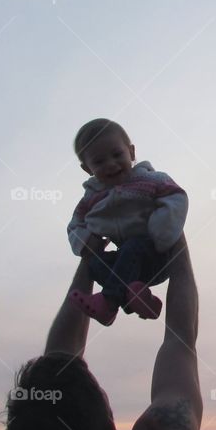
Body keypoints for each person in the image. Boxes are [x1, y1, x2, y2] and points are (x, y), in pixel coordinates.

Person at [0, 234, 201, 430]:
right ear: (111, 424)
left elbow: (56, 369)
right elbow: (180, 341)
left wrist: (92, 260)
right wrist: (173, 232)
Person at [67, 119, 188, 326]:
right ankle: (138, 298)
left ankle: (109, 304)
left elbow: (177, 196)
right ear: (87, 168)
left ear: (131, 152)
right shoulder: (91, 198)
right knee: (94, 264)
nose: (111, 164)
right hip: (125, 266)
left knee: (134, 245)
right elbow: (75, 224)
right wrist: (86, 241)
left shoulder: (150, 179)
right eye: (99, 162)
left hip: (155, 254)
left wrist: (161, 231)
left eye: (117, 155)